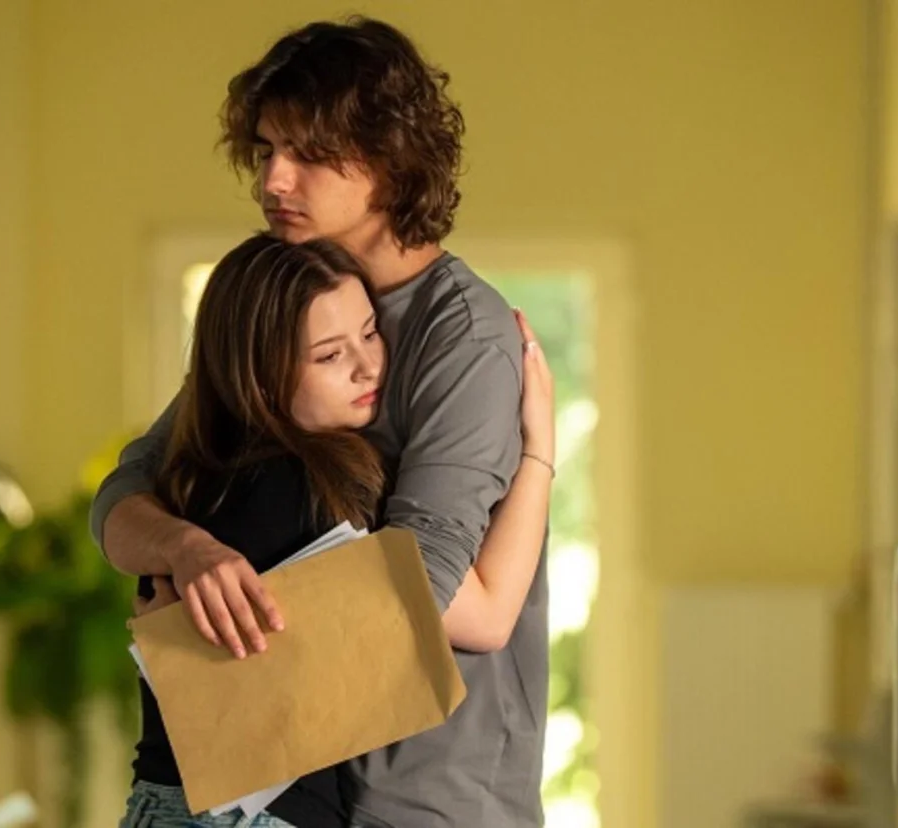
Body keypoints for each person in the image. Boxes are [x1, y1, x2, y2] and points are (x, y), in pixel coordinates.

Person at [94, 17, 551, 828]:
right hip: (293, 791)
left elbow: (424, 590)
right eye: (267, 149)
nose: (273, 179)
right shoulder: (281, 310)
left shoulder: (465, 337)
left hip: (428, 800)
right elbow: (126, 496)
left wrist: (204, 633)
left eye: (307, 153)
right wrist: (190, 551)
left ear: (389, 157)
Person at [120, 232, 552, 827]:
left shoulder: (192, 479)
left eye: (370, 333)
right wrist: (538, 454)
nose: (368, 366)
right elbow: (485, 617)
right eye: (329, 356)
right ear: (261, 377)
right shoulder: (298, 495)